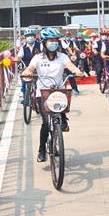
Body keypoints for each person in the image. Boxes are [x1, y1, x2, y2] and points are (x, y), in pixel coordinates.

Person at [22, 27, 83, 162]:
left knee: (61, 122)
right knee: (45, 122)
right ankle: (42, 149)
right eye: (50, 40)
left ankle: (62, 120)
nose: (54, 43)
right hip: (42, 93)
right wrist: (27, 72)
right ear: (44, 42)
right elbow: (30, 68)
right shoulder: (38, 58)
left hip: (59, 92)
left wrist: (77, 71)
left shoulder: (62, 56)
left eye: (56, 40)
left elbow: (71, 66)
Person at [15, 28, 41, 102]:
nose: (30, 37)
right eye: (28, 36)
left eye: (31, 35)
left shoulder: (40, 45)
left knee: (41, 83)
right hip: (26, 68)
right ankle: (25, 97)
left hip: (38, 68)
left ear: (35, 37)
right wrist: (17, 59)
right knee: (24, 81)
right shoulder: (23, 48)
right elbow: (19, 56)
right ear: (25, 38)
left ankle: (40, 98)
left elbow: (44, 53)